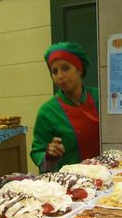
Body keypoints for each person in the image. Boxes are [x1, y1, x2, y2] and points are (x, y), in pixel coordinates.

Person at [30, 41, 100, 173]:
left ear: (79, 69)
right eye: (54, 72)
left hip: (107, 177)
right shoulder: (48, 111)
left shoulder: (100, 98)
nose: (60, 76)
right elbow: (38, 153)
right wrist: (49, 156)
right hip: (69, 183)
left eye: (65, 68)